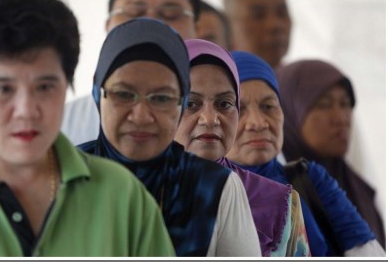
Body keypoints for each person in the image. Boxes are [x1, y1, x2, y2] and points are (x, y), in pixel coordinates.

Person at [0, 0, 175, 257]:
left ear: (68, 85)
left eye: (45, 87)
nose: (26, 110)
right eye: (3, 89)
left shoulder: (121, 194)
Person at [79, 18, 260, 257]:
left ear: (180, 102)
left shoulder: (214, 187)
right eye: (124, 94)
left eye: (161, 98)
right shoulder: (63, 174)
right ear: (97, 94)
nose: (141, 116)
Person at [225, 51, 385, 257]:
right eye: (239, 108)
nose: (258, 122)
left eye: (268, 106)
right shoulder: (198, 193)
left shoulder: (309, 178)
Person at [174, 39, 310, 257]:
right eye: (191, 103)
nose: (210, 119)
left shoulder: (279, 202)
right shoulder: (134, 191)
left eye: (224, 104)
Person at [276, 59, 386, 249]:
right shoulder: (277, 195)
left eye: (345, 104)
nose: (341, 118)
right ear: (288, 111)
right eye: (324, 105)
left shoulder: (359, 190)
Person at [61, 0, 201, 145]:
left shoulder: (218, 126)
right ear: (108, 25)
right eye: (133, 12)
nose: (150, 22)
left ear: (197, 29)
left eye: (170, 14)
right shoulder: (62, 126)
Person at [223, 0, 291, 69]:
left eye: (282, 13)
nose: (274, 25)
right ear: (226, 26)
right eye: (258, 15)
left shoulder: (298, 77)